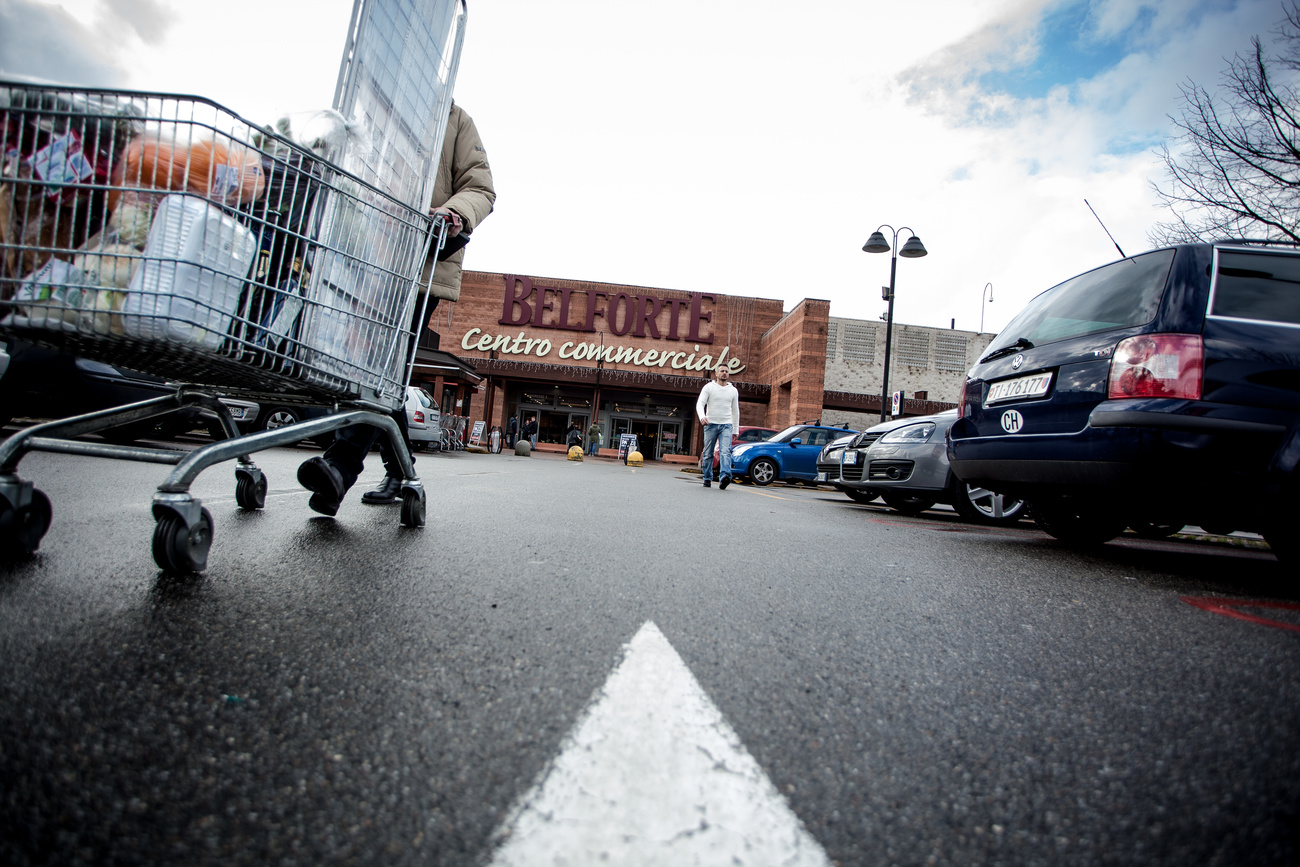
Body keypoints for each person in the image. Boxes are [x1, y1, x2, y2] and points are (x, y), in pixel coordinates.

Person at [297, 102, 495, 515]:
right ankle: (400, 472)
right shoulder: (374, 106)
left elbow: (481, 187)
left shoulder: (455, 121)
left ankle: (339, 467)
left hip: (417, 264)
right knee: (376, 372)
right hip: (364, 257)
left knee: (380, 367)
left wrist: (455, 212)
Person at [696, 363, 739, 490]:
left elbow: (735, 411)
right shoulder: (709, 387)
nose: (724, 373)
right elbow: (700, 403)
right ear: (716, 373)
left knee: (725, 452)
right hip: (710, 424)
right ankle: (707, 478)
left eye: (726, 371)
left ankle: (725, 476)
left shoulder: (733, 390)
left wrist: (735, 429)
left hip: (726, 425)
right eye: (722, 371)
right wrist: (702, 417)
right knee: (708, 453)